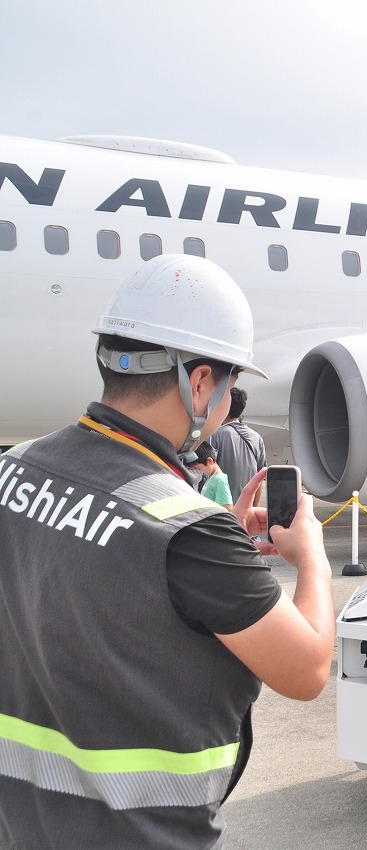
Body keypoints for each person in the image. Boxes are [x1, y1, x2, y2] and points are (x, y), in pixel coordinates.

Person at [0, 255, 333, 848]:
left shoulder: (14, 469)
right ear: (200, 381)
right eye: (232, 387)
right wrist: (312, 559)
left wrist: (219, 537)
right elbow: (307, 669)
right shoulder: (190, 533)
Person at [209, 386, 267, 502]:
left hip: (221, 510)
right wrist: (252, 510)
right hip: (245, 510)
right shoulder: (257, 437)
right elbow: (259, 478)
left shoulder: (214, 436)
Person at [188, 440, 233, 510]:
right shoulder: (211, 478)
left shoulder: (219, 481)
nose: (197, 473)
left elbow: (227, 508)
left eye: (198, 469)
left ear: (209, 461)